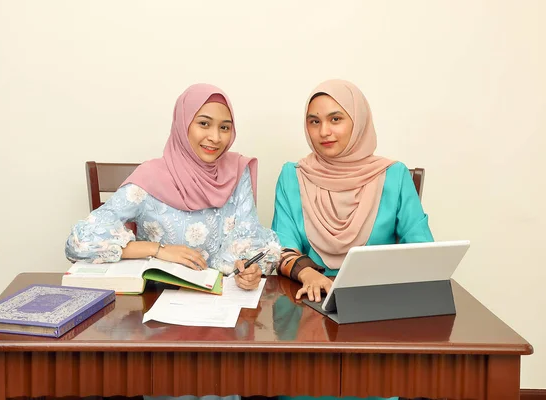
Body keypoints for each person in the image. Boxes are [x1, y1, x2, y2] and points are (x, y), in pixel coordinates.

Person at [65, 83, 280, 292]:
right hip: (155, 302)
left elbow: (247, 237)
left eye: (224, 128)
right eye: (204, 124)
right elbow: (80, 241)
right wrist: (158, 250)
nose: (215, 137)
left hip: (219, 303)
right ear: (182, 124)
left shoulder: (236, 172)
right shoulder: (150, 177)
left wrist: (247, 269)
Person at [272, 78, 434, 305]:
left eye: (335, 119)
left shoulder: (393, 175)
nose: (324, 131)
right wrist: (309, 274)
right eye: (314, 121)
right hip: (309, 297)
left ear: (358, 122)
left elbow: (422, 251)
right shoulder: (293, 175)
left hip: (379, 301)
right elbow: (280, 245)